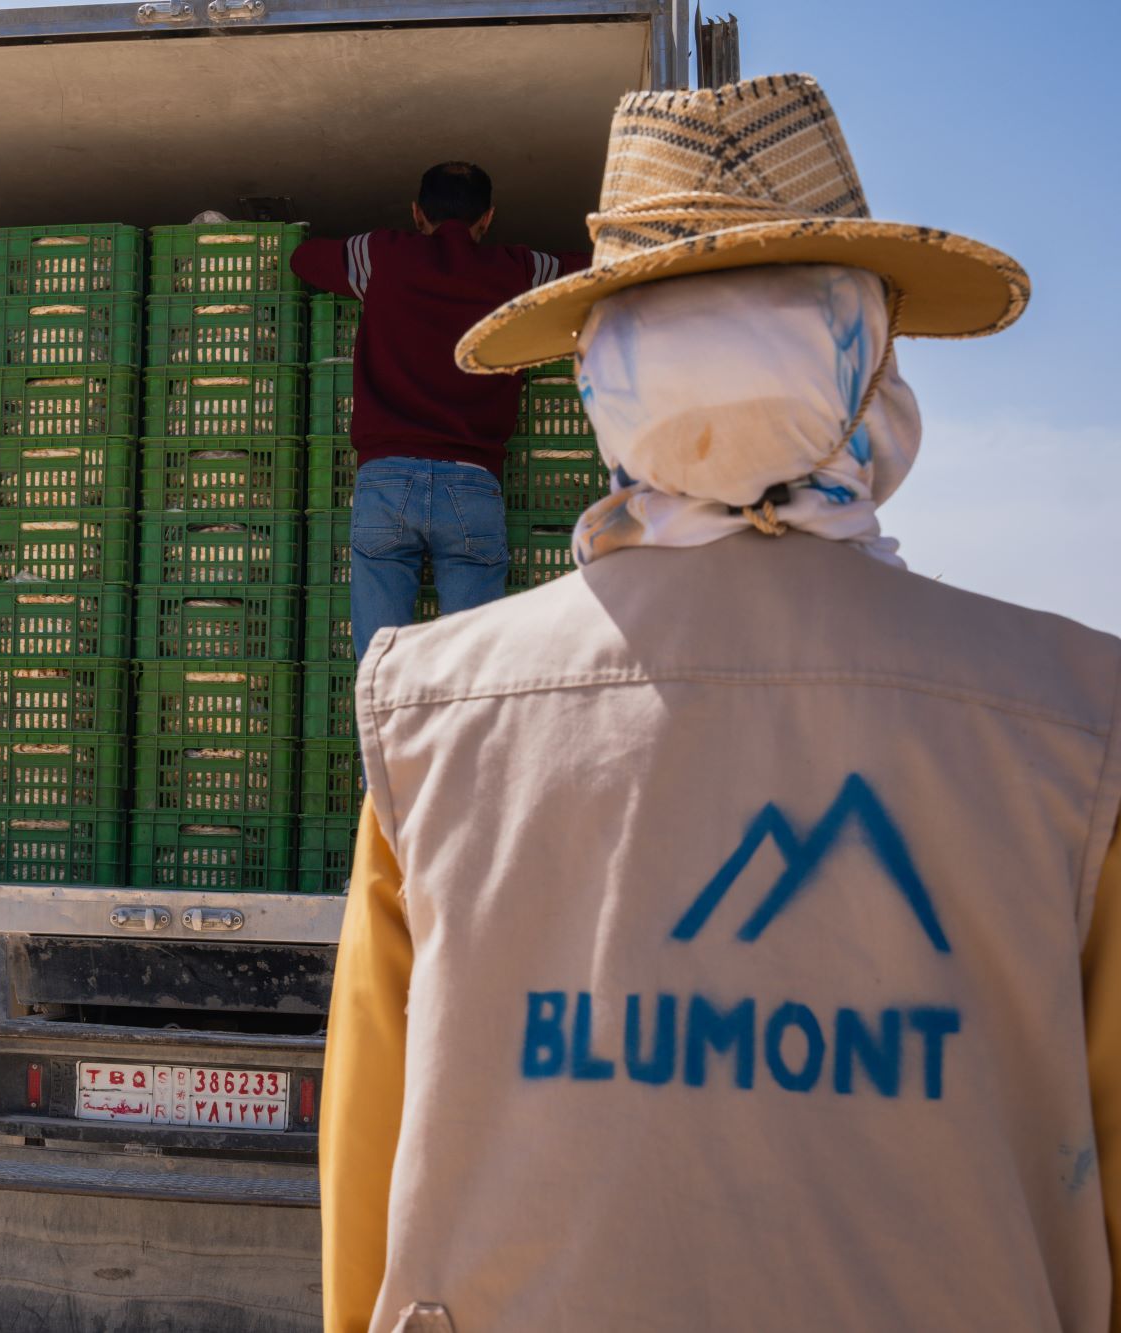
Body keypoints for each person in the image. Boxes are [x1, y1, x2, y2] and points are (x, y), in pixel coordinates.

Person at [321, 73, 1121, 1332]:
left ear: (608, 376)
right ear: (864, 366)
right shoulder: (1077, 722)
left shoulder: (427, 711)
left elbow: (371, 1179)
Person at [290, 162, 589, 659]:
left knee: (382, 669)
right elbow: (592, 269)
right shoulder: (517, 271)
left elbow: (304, 259)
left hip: (385, 482)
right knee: (473, 668)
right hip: (473, 484)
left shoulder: (382, 257)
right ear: (487, 218)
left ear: (416, 213)